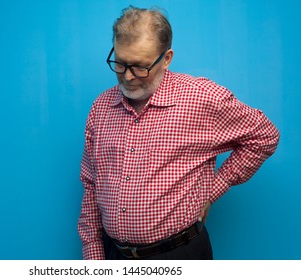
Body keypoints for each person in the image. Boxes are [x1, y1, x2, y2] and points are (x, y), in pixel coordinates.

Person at [78, 6, 280, 260]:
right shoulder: (101, 108)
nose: (128, 77)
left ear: (166, 58)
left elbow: (265, 136)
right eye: (120, 63)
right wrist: (93, 256)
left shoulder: (202, 98)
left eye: (140, 67)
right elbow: (91, 184)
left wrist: (213, 189)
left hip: (180, 254)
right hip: (114, 255)